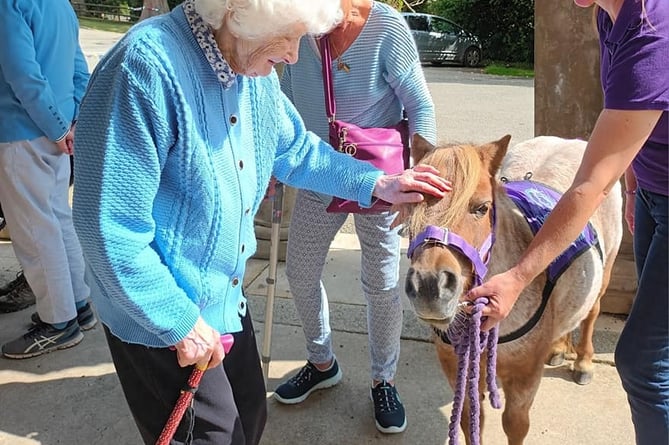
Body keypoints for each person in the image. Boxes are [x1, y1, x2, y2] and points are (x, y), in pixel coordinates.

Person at [71, 0, 451, 444]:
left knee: (248, 420)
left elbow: (296, 151)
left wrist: (377, 183)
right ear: (237, 12)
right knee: (211, 438)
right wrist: (179, 321)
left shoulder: (251, 70)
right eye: (288, 36)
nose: (294, 55)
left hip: (223, 300)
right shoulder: (143, 69)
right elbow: (108, 229)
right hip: (164, 317)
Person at [467, 1, 668, 444]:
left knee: (645, 364)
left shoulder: (655, 32)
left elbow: (588, 186)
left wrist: (517, 277)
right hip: (655, 190)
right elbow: (627, 118)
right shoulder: (608, 13)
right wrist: (636, 188)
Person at [273, 0, 436, 434]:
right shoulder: (297, 22)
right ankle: (322, 361)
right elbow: (284, 98)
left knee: (381, 285)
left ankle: (384, 378)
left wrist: (417, 175)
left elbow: (420, 106)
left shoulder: (386, 27)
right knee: (301, 272)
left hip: (379, 182)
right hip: (318, 173)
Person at [0, 0, 96, 358]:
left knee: (35, 233)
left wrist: (58, 128)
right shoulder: (61, 6)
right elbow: (79, 71)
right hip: (56, 135)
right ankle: (77, 307)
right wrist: (69, 125)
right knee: (56, 222)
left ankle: (58, 323)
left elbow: (22, 74)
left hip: (20, 133)